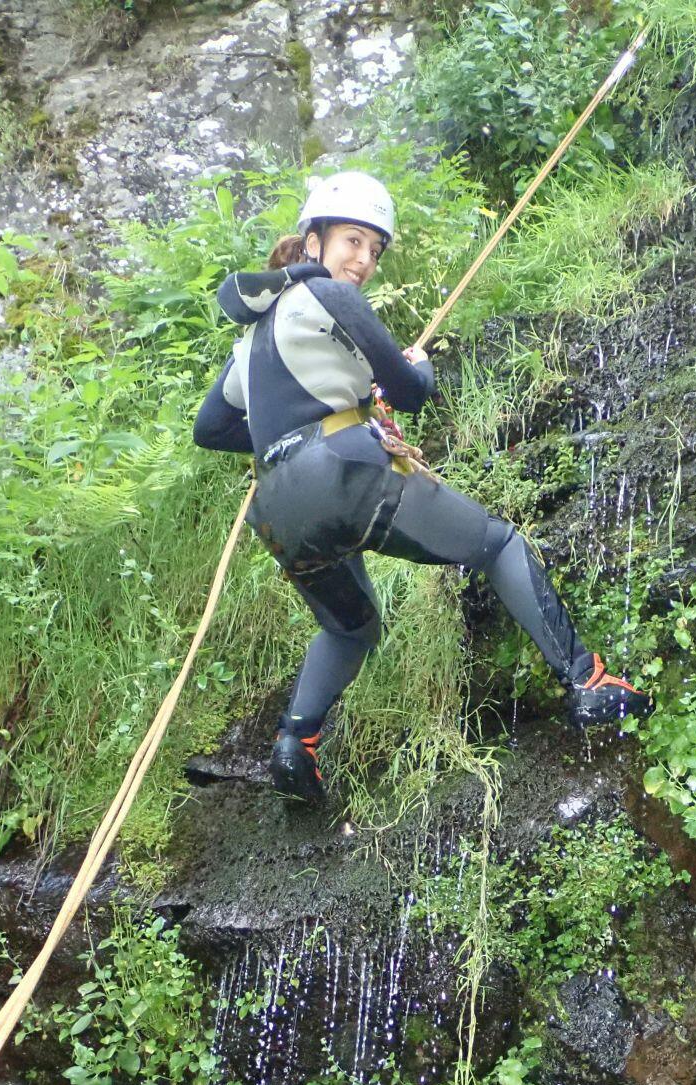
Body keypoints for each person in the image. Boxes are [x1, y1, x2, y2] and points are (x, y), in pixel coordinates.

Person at [192, 171, 651, 802]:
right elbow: (411, 393)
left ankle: (294, 746)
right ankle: (586, 680)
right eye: (353, 241)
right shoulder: (328, 294)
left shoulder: (250, 341)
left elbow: (211, 429)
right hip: (345, 469)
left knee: (351, 629)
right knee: (497, 545)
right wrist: (417, 371)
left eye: (374, 249)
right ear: (314, 241)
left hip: (275, 507)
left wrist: (304, 429)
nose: (364, 260)